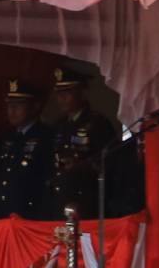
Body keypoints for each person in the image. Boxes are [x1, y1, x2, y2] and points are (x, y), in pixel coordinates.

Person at [48, 68, 116, 220]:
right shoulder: (58, 125)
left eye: (67, 92)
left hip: (85, 202)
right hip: (60, 200)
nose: (62, 98)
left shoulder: (98, 123)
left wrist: (82, 165)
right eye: (59, 93)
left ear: (83, 92)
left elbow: (111, 162)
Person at [0, 79, 55, 219]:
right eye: (10, 105)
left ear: (34, 106)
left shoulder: (46, 136)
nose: (12, 110)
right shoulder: (8, 137)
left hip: (31, 215)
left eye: (18, 105)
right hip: (5, 213)